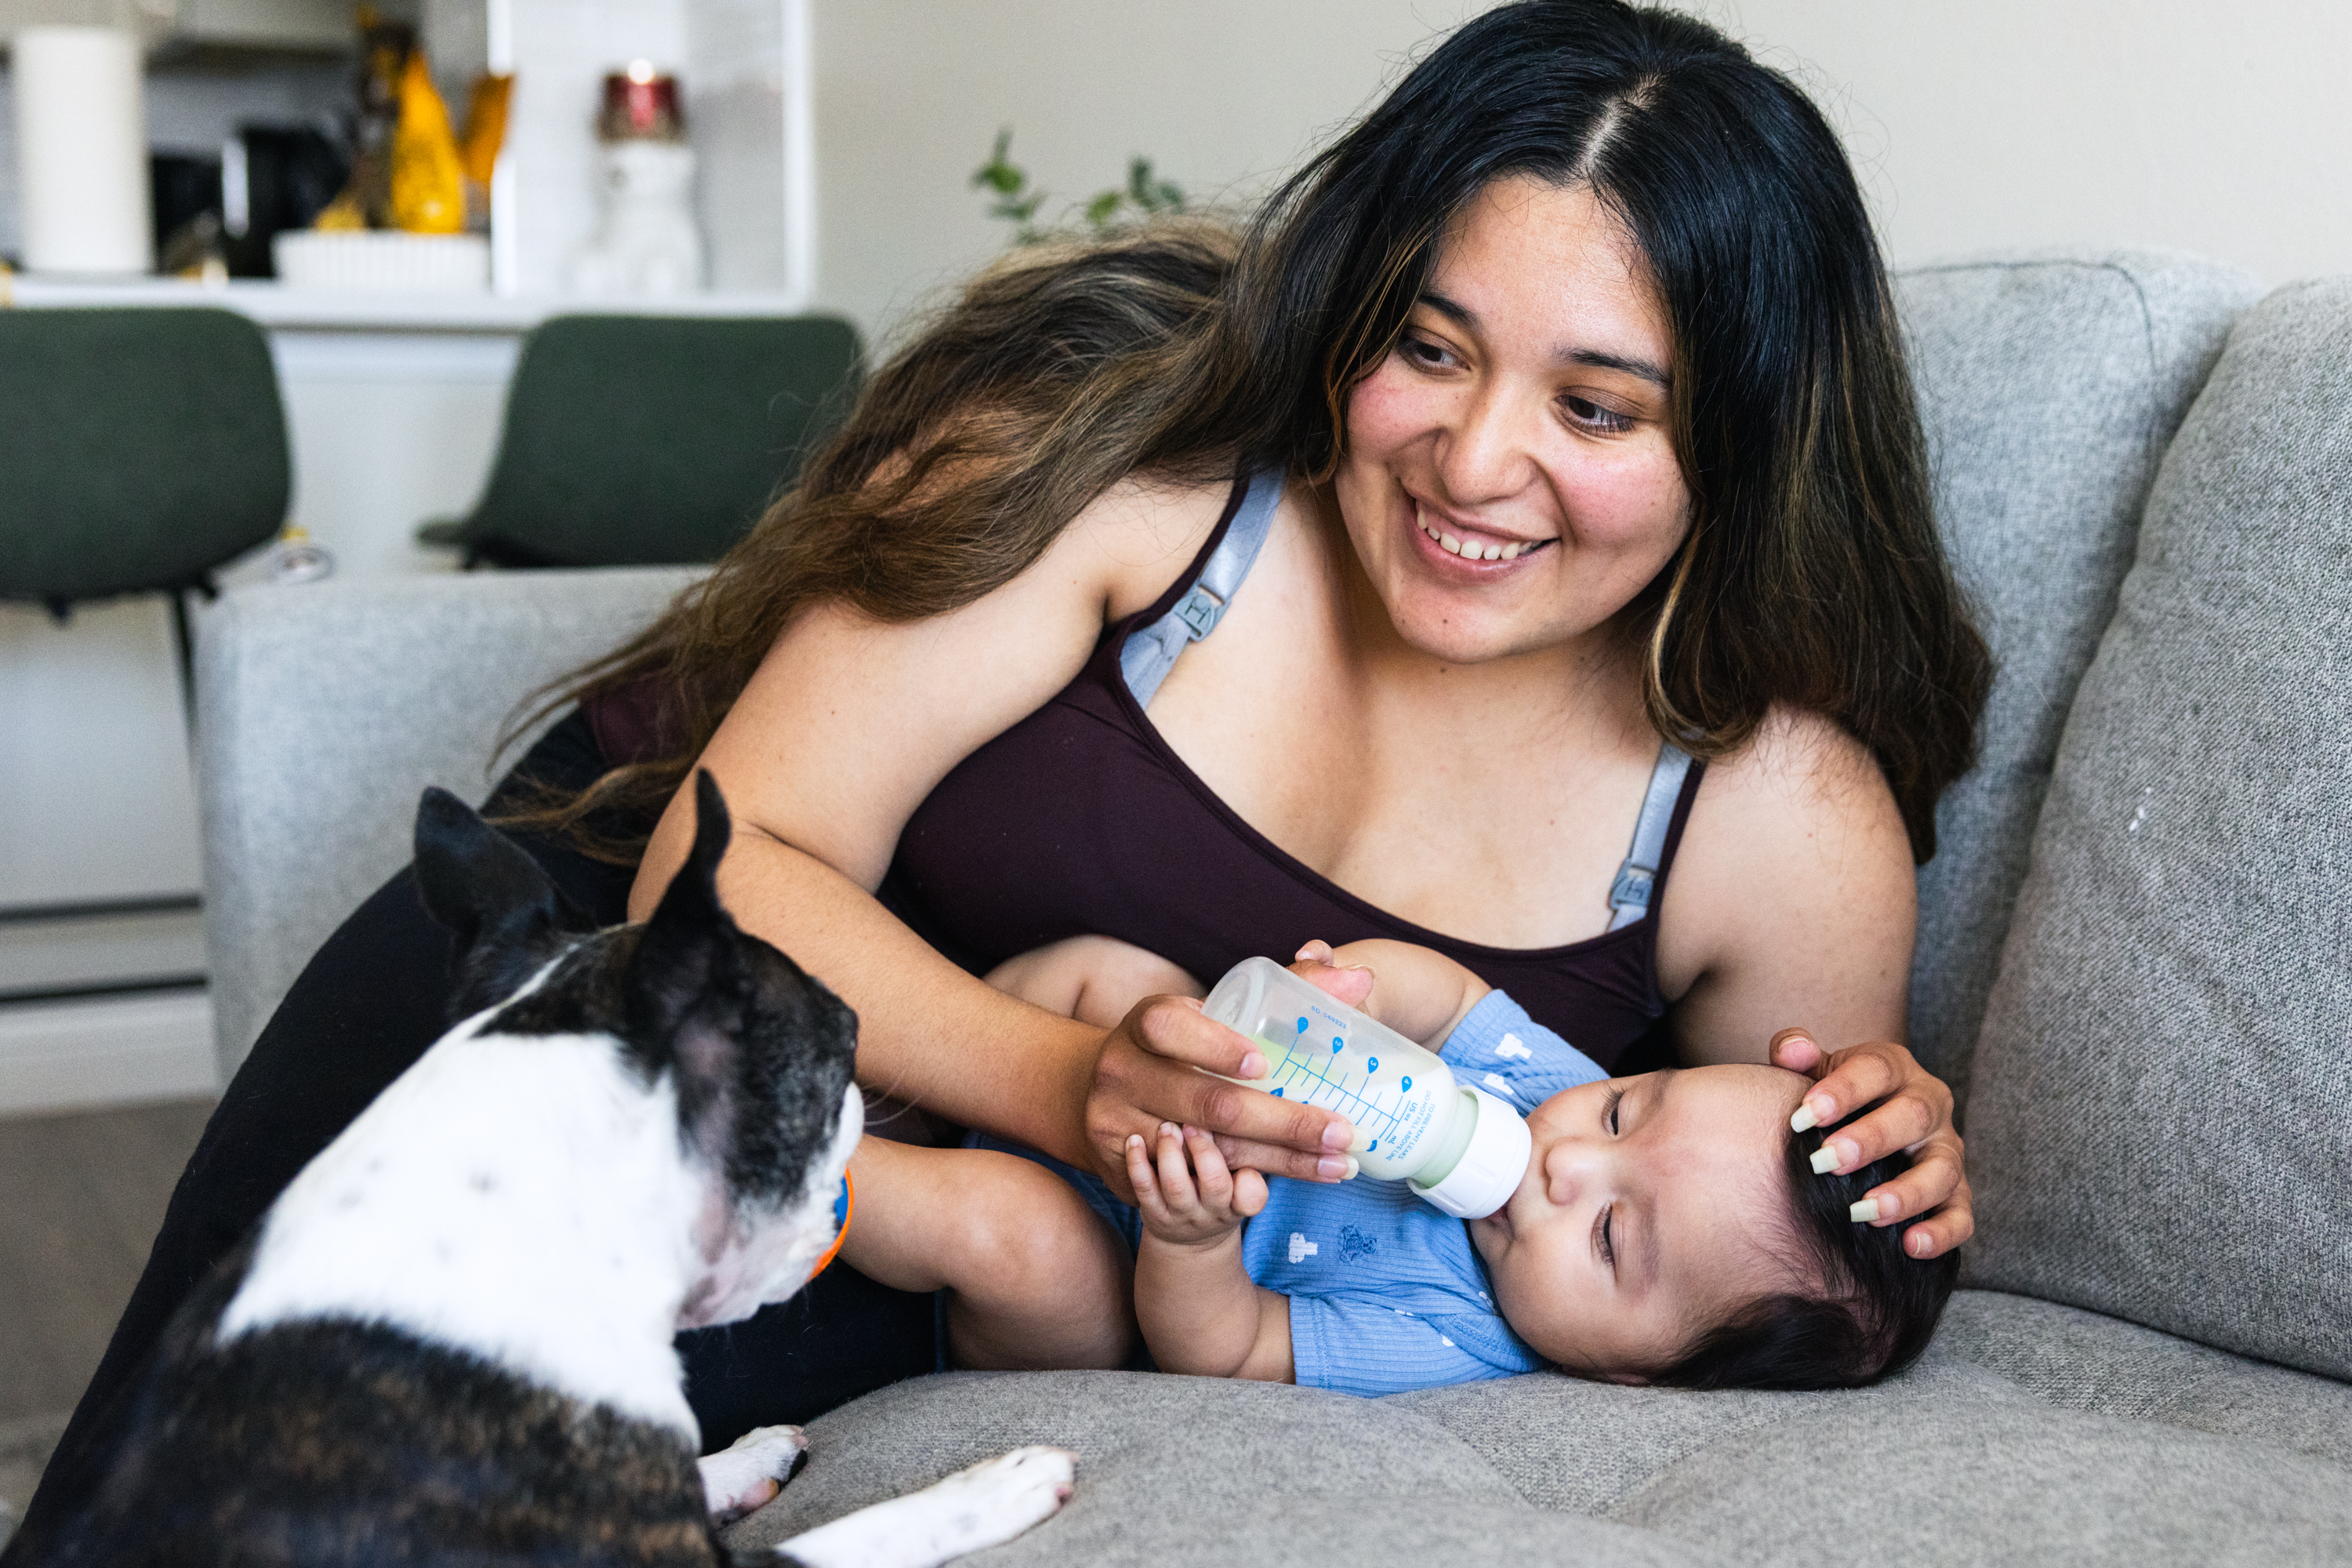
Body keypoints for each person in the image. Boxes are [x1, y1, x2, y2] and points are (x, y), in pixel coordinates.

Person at [20, 0, 1988, 1537]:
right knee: (214, 1469)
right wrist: (1076, 1080)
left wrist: (1896, 1158)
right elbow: (736, 849)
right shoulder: (1143, 461)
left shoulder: (1779, 821)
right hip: (666, 985)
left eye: (1595, 405)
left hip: (990, 1258)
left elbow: (1784, 1269)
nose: (1475, 466)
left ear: (1747, 441)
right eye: (1434, 348)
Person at [841, 936, 1956, 1394]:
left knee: (1022, 1241)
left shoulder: (1447, 1336)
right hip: (1108, 1099)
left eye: (1614, 1237)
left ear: (1634, 1378)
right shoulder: (1542, 1098)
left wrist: (1192, 1237)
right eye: (1624, 1108)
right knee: (1112, 974)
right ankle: (865, 1073)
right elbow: (1450, 998)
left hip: (1111, 1267)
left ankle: (790, 1160)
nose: (1567, 1164)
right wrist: (1355, 987)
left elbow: (1223, 1352)